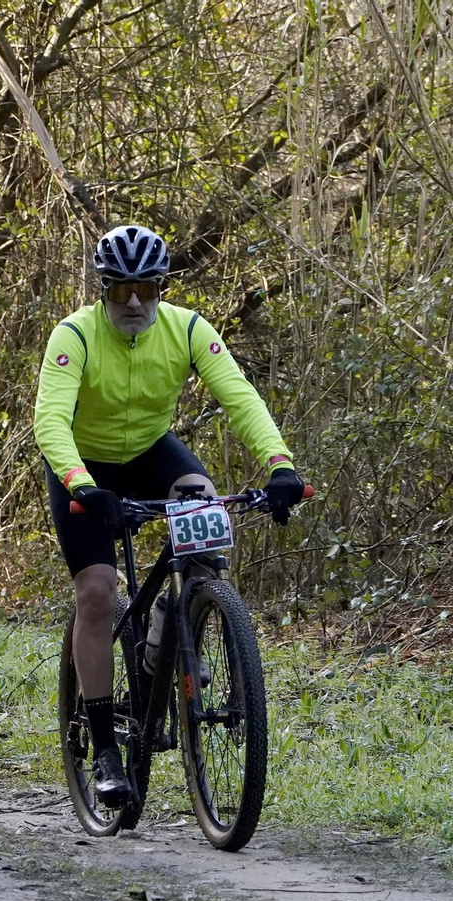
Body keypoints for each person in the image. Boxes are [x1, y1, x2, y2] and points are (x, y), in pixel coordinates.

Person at [33, 224, 306, 806]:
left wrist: (280, 466)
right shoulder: (74, 335)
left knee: (207, 505)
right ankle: (105, 747)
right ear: (101, 290)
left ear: (162, 287)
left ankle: (175, 619)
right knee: (99, 595)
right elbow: (50, 420)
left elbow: (240, 397)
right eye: (119, 291)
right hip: (84, 466)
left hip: (152, 450)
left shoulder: (187, 329)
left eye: (147, 290)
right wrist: (83, 483)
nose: (134, 303)